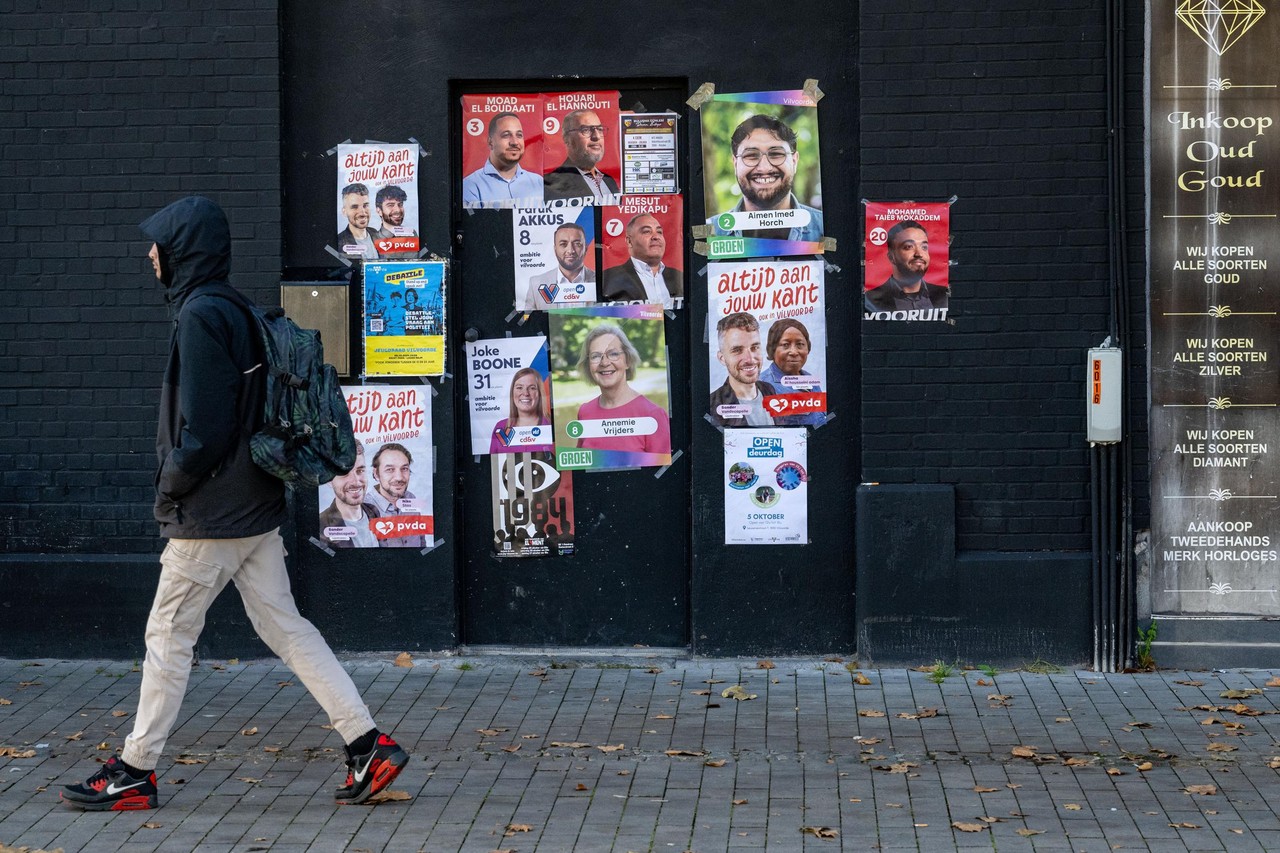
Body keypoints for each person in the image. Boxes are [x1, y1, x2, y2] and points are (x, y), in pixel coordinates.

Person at [61, 196, 407, 812]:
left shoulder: (200, 315)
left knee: (168, 634)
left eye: (159, 245)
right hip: (255, 503)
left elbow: (209, 427)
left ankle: (135, 769)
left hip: (213, 514)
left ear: (183, 250)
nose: (149, 255)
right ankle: (366, 743)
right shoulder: (236, 308)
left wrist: (171, 481)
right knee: (286, 626)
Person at [710, 114, 824, 244]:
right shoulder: (710, 235)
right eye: (751, 155)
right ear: (735, 163)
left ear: (794, 161)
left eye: (776, 154)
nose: (764, 168)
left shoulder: (826, 229)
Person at [575, 323, 671, 455]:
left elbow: (664, 473)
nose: (604, 363)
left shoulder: (653, 415)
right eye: (596, 356)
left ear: (628, 360)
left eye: (613, 354)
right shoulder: (585, 412)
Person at [863, 220, 949, 313]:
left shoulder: (944, 295)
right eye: (908, 246)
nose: (919, 254)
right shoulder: (872, 299)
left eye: (924, 247)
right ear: (891, 257)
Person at [709, 312, 778, 428]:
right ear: (722, 358)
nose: (750, 359)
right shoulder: (712, 406)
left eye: (755, 347)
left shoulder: (769, 390)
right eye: (737, 350)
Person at [600, 213, 683, 307]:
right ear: (629, 241)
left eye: (659, 232)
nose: (656, 237)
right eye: (647, 231)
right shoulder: (608, 278)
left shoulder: (680, 277)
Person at [462, 112, 545, 206]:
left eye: (519, 135)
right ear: (490, 142)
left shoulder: (538, 182)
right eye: (506, 135)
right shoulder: (471, 186)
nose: (514, 142)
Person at [759, 317, 826, 427]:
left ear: (808, 348)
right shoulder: (761, 386)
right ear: (772, 349)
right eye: (785, 345)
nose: (794, 352)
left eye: (800, 344)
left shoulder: (811, 380)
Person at [543, 109, 620, 203]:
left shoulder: (609, 181)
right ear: (567, 139)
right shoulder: (550, 184)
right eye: (586, 130)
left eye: (600, 129)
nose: (596, 136)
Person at [521, 222, 595, 311]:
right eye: (563, 244)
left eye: (577, 244)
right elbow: (527, 318)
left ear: (585, 248)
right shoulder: (536, 284)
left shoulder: (601, 281)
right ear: (555, 249)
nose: (570, 250)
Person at [319, 444, 381, 548]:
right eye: (344, 472)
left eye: (360, 470)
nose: (356, 481)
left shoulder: (373, 511)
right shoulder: (320, 526)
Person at [366, 442, 427, 548]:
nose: (399, 477)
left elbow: (422, 541)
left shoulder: (411, 498)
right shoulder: (362, 508)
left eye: (404, 469)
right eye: (389, 469)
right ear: (376, 474)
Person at [489, 367, 552, 453]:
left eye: (532, 388)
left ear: (540, 393)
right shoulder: (500, 428)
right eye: (519, 388)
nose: (526, 393)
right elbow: (492, 463)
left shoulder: (551, 426)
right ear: (512, 392)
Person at [372, 184, 417, 258]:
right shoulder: (373, 239)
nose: (398, 210)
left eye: (400, 204)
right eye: (390, 205)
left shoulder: (412, 234)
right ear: (379, 211)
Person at [336, 183, 378, 259]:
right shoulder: (337, 243)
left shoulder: (376, 233)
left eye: (365, 205)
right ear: (344, 211)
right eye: (354, 207)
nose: (362, 212)